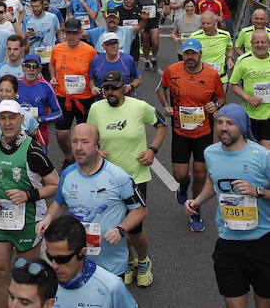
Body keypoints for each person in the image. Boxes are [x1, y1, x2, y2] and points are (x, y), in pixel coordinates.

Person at [185, 104, 270, 308]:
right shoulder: (211, 153)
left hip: (263, 242)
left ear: (241, 127)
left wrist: (257, 191)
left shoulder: (262, 156)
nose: (223, 128)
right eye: (219, 122)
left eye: (230, 123)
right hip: (228, 241)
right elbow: (214, 182)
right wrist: (197, 201)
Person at [87, 72, 167, 287]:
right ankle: (128, 261)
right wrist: (96, 150)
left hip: (134, 176)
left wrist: (152, 150)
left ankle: (143, 261)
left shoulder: (139, 107)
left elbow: (161, 124)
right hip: (106, 177)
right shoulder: (96, 109)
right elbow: (90, 135)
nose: (110, 93)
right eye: (107, 89)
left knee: (134, 228)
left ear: (124, 88)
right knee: (114, 225)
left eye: (114, 88)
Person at [37, 124, 146, 278]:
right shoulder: (67, 174)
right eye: (74, 141)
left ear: (98, 145)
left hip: (111, 266)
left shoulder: (118, 177)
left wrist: (121, 230)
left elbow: (140, 209)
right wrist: (47, 219)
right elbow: (60, 204)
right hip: (76, 262)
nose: (79, 147)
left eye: (85, 142)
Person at [0, 100, 60, 308]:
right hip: (2, 219)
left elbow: (55, 184)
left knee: (26, 277)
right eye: (3, 118)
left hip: (29, 219)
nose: (7, 123)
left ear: (21, 120)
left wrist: (28, 194)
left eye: (12, 118)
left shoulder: (33, 151)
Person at [158, 38, 226, 231]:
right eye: (187, 53)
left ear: (200, 54)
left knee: (200, 173)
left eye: (193, 53)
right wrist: (166, 105)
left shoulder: (212, 75)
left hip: (204, 131)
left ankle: (195, 210)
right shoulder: (172, 70)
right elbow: (160, 89)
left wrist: (217, 105)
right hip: (180, 130)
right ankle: (183, 184)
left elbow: (221, 97)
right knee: (180, 175)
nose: (189, 57)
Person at [43, 216, 137, 308]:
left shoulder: (112, 286)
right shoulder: (42, 283)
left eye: (62, 259)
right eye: (50, 257)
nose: (54, 265)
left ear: (82, 253)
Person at [50, 17, 97, 169]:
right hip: (64, 97)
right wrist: (52, 77)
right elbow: (52, 65)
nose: (71, 36)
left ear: (80, 33)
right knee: (62, 133)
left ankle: (86, 160)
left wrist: (92, 84)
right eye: (68, 33)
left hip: (85, 98)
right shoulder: (57, 49)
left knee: (85, 135)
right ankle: (69, 158)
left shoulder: (89, 50)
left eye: (74, 33)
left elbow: (94, 71)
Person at [228, 29, 270, 149]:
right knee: (251, 153)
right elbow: (233, 85)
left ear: (269, 43)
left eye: (263, 42)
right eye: (256, 42)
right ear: (251, 43)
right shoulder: (243, 60)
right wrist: (248, 97)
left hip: (268, 116)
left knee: (266, 154)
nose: (260, 45)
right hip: (250, 115)